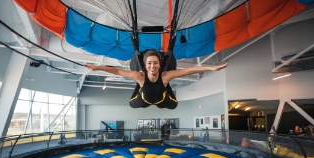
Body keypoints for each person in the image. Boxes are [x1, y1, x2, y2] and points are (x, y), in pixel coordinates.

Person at [84, 49, 227, 109]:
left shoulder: (165, 76)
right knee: (131, 104)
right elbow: (116, 70)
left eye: (155, 63)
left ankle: (160, 98)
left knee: (174, 106)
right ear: (145, 66)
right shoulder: (139, 76)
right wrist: (97, 68)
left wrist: (211, 68)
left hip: (162, 100)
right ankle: (140, 94)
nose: (152, 66)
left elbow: (188, 70)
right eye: (149, 63)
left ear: (159, 64)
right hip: (142, 100)